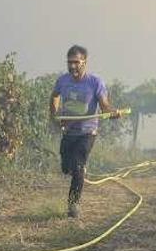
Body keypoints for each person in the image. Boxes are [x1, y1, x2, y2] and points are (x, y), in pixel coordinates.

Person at [49, 45, 122, 218]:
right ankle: (76, 170)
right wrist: (54, 115)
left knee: (78, 166)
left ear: (85, 62)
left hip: (87, 132)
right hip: (69, 132)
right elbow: (54, 96)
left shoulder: (95, 82)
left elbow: (104, 105)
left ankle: (73, 205)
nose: (72, 66)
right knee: (67, 168)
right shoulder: (63, 80)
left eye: (76, 62)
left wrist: (111, 113)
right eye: (69, 63)